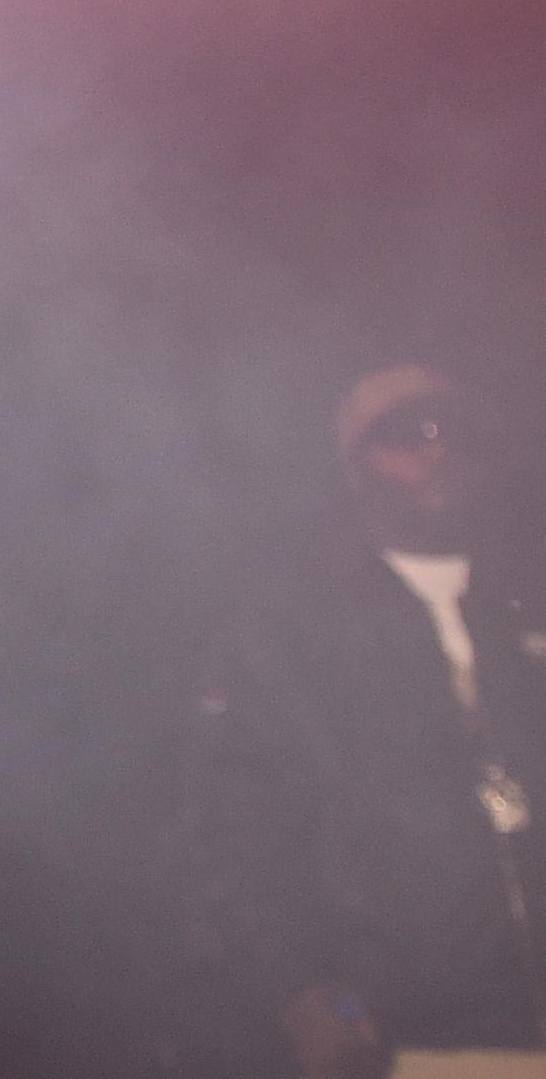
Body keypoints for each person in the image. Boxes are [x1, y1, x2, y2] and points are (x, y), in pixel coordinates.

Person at [182, 364, 546, 1076]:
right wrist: (307, 997)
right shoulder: (292, 637)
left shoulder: (525, 607)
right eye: (407, 436)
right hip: (416, 1041)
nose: (437, 452)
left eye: (455, 432)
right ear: (357, 468)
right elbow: (233, 831)